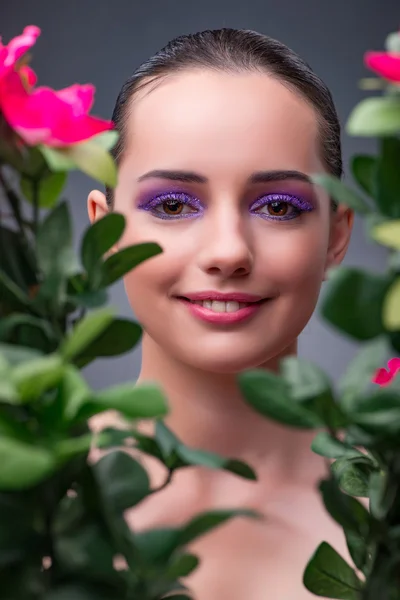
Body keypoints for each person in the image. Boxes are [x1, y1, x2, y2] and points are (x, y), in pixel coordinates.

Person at [87, 28, 354, 600]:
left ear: (336, 235)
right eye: (174, 204)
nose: (228, 251)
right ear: (103, 233)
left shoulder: (384, 508)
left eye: (279, 206)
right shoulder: (26, 498)